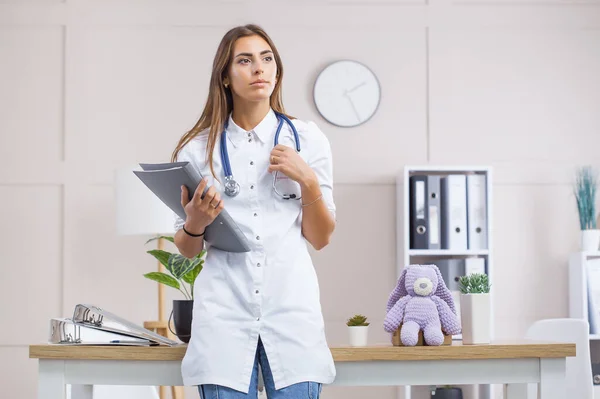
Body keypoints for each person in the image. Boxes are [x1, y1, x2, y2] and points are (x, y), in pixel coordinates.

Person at [170, 24, 337, 399]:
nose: (258, 68)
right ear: (226, 77)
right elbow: (187, 248)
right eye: (244, 61)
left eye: (266, 59)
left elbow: (322, 237)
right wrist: (195, 223)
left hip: (292, 312)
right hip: (223, 315)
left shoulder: (307, 139)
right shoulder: (197, 150)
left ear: (276, 71)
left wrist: (307, 181)